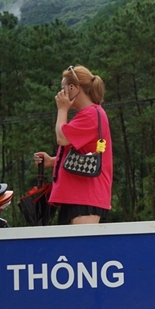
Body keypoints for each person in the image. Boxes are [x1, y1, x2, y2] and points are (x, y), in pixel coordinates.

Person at [34, 65, 112, 225]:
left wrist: (62, 110)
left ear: (74, 87)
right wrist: (51, 161)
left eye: (63, 88)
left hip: (86, 197)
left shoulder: (91, 114)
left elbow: (62, 138)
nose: (60, 93)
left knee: (81, 249)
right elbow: (83, 152)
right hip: (76, 196)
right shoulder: (87, 114)